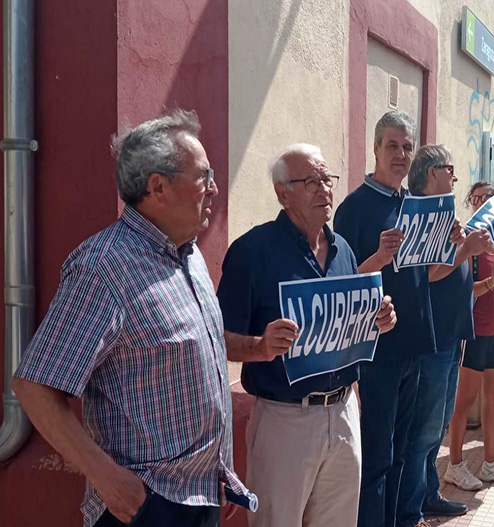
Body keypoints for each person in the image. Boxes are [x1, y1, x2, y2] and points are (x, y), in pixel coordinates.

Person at [12, 110, 250, 527]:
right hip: (145, 505)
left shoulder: (188, 255)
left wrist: (219, 474)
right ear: (158, 187)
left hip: (202, 497)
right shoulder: (104, 268)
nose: (214, 189)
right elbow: (35, 386)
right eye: (203, 176)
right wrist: (108, 479)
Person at [217, 144, 397, 527]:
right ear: (283, 192)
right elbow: (216, 338)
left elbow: (345, 325)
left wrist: (375, 318)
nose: (325, 190)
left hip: (344, 411)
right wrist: (260, 347)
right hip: (285, 420)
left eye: (327, 180)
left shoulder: (342, 250)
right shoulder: (252, 252)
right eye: (311, 181)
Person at [333, 110, 463, 527]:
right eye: (393, 145)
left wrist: (453, 246)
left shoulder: (416, 206)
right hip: (377, 352)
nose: (402, 154)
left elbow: (428, 274)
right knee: (377, 458)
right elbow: (340, 285)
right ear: (375, 148)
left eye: (408, 147)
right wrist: (378, 258)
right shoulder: (354, 208)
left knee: (405, 452)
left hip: (416, 345)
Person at [397, 145, 490, 526]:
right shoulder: (420, 215)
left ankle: (428, 494)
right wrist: (466, 248)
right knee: (425, 427)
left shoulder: (445, 214)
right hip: (432, 338)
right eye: (448, 168)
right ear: (431, 173)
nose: (454, 175)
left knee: (437, 423)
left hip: (452, 335)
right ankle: (411, 507)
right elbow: (428, 273)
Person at [444, 181, 494, 491]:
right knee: (463, 402)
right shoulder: (469, 245)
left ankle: (491, 463)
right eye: (476, 199)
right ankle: (454, 465)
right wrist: (492, 282)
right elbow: (464, 291)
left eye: (487, 199)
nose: (482, 204)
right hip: (474, 331)